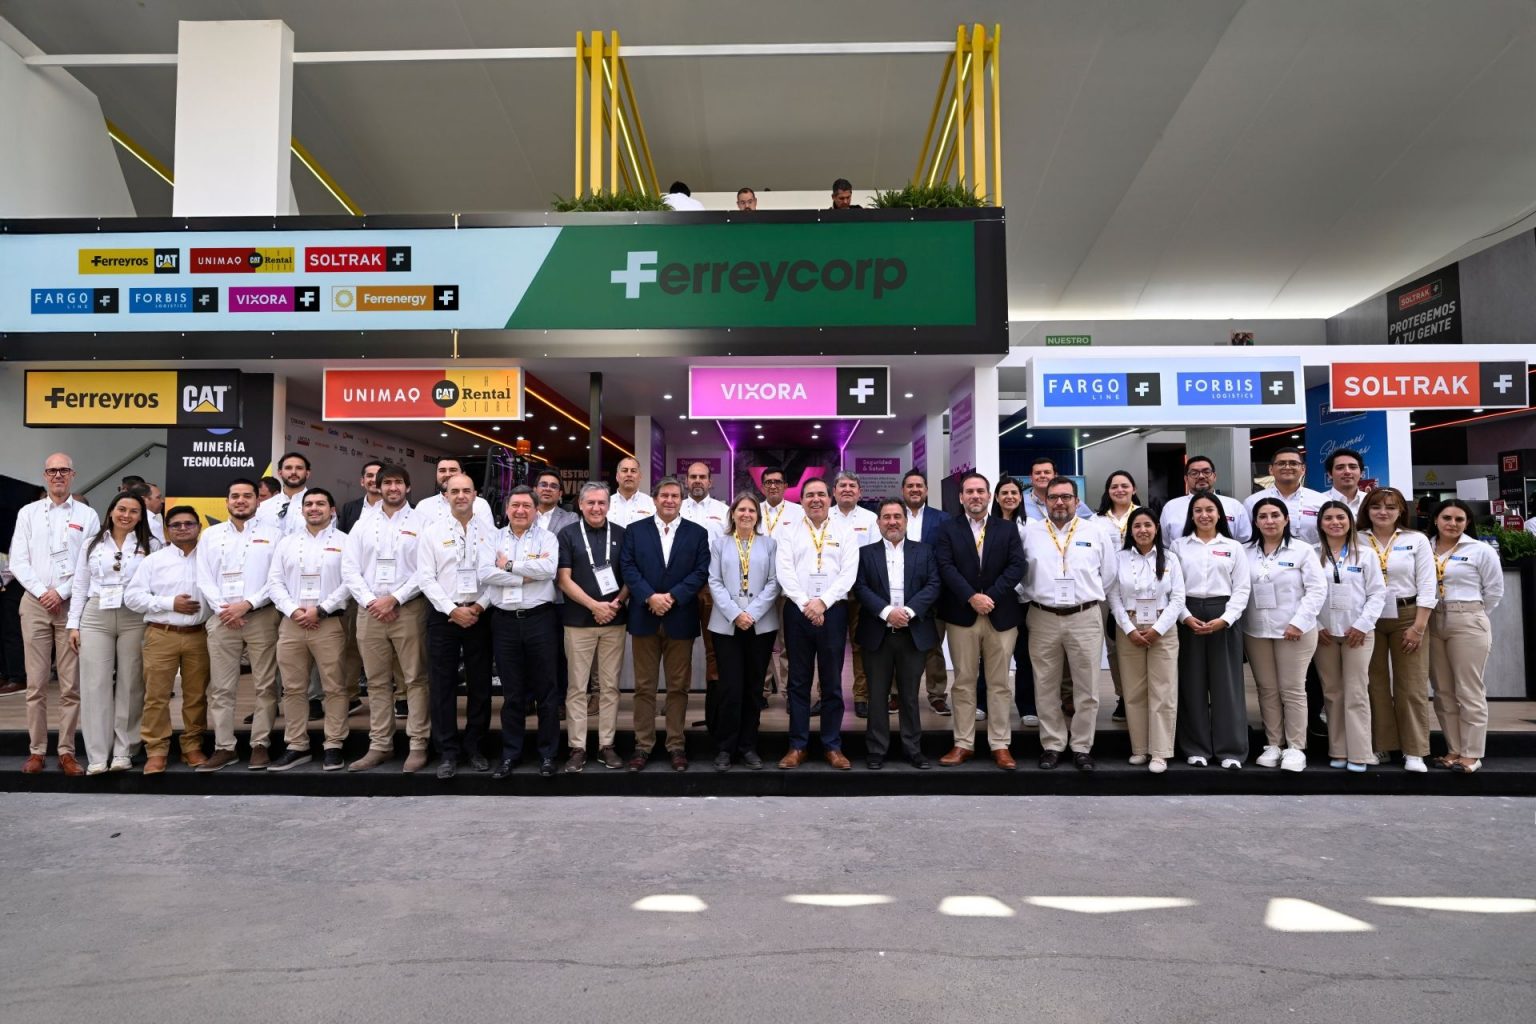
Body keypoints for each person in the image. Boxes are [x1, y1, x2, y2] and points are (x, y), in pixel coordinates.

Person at [10, 453, 99, 774]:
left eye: (63, 470)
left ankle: (66, 751)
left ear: (73, 474)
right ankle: (37, 751)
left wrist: (60, 592)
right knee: (35, 684)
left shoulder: (88, 515)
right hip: (35, 603)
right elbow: (17, 560)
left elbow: (89, 562)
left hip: (71, 605)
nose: (58, 475)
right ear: (45, 475)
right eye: (52, 471)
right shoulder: (28, 513)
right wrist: (42, 592)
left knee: (70, 685)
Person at [341, 463, 430, 774]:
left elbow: (427, 569)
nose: (393, 488)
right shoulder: (362, 524)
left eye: (398, 483)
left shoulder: (423, 522)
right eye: (387, 483)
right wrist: (371, 601)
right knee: (377, 681)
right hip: (370, 612)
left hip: (409, 610)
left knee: (415, 679)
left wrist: (395, 598)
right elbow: (349, 568)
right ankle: (380, 744)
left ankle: (418, 743)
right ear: (378, 487)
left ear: (408, 487)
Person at [1020, 476, 1113, 771]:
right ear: (1044, 501)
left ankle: (1082, 746)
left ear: (1077, 501)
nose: (1059, 502)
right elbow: (1021, 575)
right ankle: (1052, 744)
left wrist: (1083, 597)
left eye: (1066, 497)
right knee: (1045, 685)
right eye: (1053, 497)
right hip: (1042, 616)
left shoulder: (1096, 532)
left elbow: (1109, 574)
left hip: (1084, 616)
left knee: (1088, 687)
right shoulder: (1030, 533)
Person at [936, 472, 1028, 770]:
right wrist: (971, 597)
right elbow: (945, 567)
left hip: (1001, 615)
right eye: (969, 491)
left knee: (999, 683)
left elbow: (1017, 566)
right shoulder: (947, 529)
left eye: (980, 491)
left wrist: (990, 596)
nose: (975, 496)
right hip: (962, 615)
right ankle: (963, 743)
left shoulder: (1007, 529)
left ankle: (1000, 744)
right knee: (963, 682)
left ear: (989, 496)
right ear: (961, 497)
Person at [619, 477, 711, 772]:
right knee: (644, 687)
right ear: (654, 499)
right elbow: (628, 568)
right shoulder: (635, 530)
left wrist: (672, 597)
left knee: (678, 687)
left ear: (682, 500)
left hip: (680, 617)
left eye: (675, 496)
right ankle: (643, 746)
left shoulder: (697, 533)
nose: (669, 500)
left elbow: (701, 572)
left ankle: (676, 745)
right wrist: (649, 596)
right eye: (664, 496)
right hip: (644, 616)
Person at [195, 478, 282, 772]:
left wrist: (247, 604)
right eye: (235, 496)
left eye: (247, 496)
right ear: (227, 501)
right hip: (222, 618)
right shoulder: (210, 535)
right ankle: (224, 747)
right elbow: (204, 577)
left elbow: (277, 578)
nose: (241, 501)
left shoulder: (275, 535)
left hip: (261, 616)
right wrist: (224, 608)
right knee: (221, 687)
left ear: (258, 500)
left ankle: (260, 744)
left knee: (265, 685)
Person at [68, 490, 157, 774]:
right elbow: (80, 585)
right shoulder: (92, 543)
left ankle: (124, 750)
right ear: (110, 511)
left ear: (141, 517)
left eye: (133, 511)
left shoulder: (151, 544)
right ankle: (97, 755)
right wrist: (73, 624)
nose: (126, 515)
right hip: (96, 614)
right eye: (121, 509)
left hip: (135, 615)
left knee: (131, 683)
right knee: (95, 684)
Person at [417, 473, 497, 779]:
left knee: (480, 684)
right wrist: (452, 609)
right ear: (446, 495)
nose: (461, 496)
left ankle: (475, 747)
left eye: (466, 490)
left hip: (480, 614)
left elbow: (496, 577)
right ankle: (447, 751)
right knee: (442, 686)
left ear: (476, 494)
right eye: (455, 491)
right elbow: (426, 578)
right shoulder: (432, 533)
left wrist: (478, 606)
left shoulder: (491, 533)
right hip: (444, 615)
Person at [774, 478, 858, 770]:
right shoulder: (788, 531)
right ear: (801, 500)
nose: (816, 499)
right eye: (809, 495)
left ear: (830, 498)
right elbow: (784, 571)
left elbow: (849, 573)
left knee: (832, 682)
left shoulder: (845, 531)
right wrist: (806, 604)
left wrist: (823, 602)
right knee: (798, 682)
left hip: (833, 611)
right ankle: (798, 746)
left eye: (821, 494)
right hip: (798, 611)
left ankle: (832, 745)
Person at [267, 488, 352, 772]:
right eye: (309, 504)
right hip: (291, 624)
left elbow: (350, 582)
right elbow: (274, 582)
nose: (314, 508)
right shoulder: (286, 543)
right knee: (292, 688)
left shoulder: (345, 542)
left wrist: (322, 609)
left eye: (320, 504)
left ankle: (334, 744)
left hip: (328, 623)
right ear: (302, 510)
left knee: (334, 687)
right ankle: (296, 745)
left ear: (332, 510)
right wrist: (293, 610)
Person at [479, 486, 561, 778]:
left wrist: (510, 566)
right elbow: (485, 573)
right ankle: (510, 754)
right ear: (506, 509)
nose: (521, 510)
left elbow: (549, 569)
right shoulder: (492, 538)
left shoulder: (548, 538)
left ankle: (548, 755)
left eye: (527, 505)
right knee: (512, 692)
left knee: (547, 691)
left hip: (541, 620)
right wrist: (524, 576)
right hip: (504, 622)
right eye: (515, 505)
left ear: (536, 510)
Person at [853, 498, 940, 770]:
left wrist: (909, 612)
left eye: (897, 517)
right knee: (877, 695)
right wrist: (888, 612)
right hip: (877, 632)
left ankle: (913, 749)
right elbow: (860, 587)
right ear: (878, 522)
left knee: (910, 696)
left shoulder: (924, 551)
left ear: (905, 520)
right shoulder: (865, 554)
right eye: (887, 517)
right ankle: (876, 749)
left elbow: (933, 584)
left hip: (912, 633)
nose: (892, 522)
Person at [1243, 497, 1326, 772]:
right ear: (1255, 522)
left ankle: (1296, 747)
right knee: (1266, 689)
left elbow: (1317, 589)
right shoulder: (1245, 552)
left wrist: (1299, 622)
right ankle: (1273, 744)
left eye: (1275, 515)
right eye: (1263, 516)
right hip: (1256, 630)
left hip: (1294, 630)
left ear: (1286, 519)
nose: (1269, 521)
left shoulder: (1302, 550)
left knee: (1292, 689)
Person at [126, 505, 210, 773]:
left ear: (199, 527)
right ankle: (156, 749)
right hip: (161, 634)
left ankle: (192, 746)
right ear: (167, 530)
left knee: (196, 695)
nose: (183, 528)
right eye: (176, 525)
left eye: (189, 523)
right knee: (156, 696)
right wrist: (169, 603)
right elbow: (132, 597)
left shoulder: (210, 559)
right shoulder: (153, 561)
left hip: (199, 635)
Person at [1357, 486, 1436, 771]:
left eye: (1390, 507)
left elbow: (1428, 583)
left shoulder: (1416, 540)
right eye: (1376, 506)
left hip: (1408, 614)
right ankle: (1383, 745)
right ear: (1367, 510)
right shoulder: (1356, 539)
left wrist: (1419, 626)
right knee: (1373, 684)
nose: (1383, 512)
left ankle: (1414, 750)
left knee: (1411, 684)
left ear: (1401, 510)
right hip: (1368, 616)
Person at [1172, 491, 1251, 769]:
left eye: (1209, 510)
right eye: (1198, 510)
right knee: (1190, 683)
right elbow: (1173, 586)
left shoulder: (1233, 547)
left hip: (1224, 615)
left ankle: (1231, 750)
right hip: (1188, 614)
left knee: (1227, 685)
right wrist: (1184, 616)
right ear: (1191, 515)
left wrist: (1226, 619)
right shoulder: (1178, 546)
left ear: (1219, 514)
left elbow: (1242, 588)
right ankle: (1196, 748)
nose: (1204, 515)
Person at [1426, 498, 1503, 773]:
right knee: (1442, 691)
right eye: (1447, 518)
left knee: (1469, 689)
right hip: (1431, 620)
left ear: (1467, 522)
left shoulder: (1480, 550)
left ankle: (1471, 754)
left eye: (1459, 519)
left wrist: (1472, 614)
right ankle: (1454, 749)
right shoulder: (1424, 547)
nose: (1453, 523)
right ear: (1436, 520)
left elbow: (1494, 591)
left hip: (1467, 619)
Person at [556, 482, 629, 772]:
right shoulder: (567, 534)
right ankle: (578, 747)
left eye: (601, 503)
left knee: (610, 687)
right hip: (578, 622)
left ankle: (606, 745)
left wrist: (615, 604)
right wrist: (594, 606)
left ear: (608, 505)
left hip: (614, 620)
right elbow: (563, 579)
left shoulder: (622, 534)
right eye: (591, 503)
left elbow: (630, 576)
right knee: (577, 687)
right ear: (581, 505)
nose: (596, 508)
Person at [706, 492, 781, 770]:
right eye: (741, 510)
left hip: (760, 625)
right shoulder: (720, 544)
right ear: (733, 514)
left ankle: (748, 747)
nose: (746, 514)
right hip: (727, 625)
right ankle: (725, 748)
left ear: (757, 516)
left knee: (753, 688)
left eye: (751, 510)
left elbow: (774, 582)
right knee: (730, 688)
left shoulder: (770, 544)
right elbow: (714, 581)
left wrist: (752, 613)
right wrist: (736, 614)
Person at [1106, 508, 1184, 773]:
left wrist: (1158, 629)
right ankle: (1139, 748)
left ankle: (1160, 752)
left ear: (1156, 528)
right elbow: (1114, 597)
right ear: (1130, 531)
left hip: (1163, 627)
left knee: (1163, 690)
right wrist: (1129, 629)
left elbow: (1178, 598)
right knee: (1134, 691)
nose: (1142, 530)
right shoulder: (1119, 558)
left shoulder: (1170, 558)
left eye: (1147, 525)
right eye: (1137, 526)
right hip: (1129, 627)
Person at [1314, 499, 1385, 772]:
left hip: (1358, 633)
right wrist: (1316, 625)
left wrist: (1363, 625)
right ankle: (1339, 750)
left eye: (1340, 517)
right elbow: (1302, 592)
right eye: (1329, 518)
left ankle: (1360, 753)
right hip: (1324, 634)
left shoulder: (1365, 554)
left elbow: (1377, 593)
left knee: (1356, 692)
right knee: (1332, 693)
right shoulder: (1312, 554)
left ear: (1350, 522)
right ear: (1321, 524)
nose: (1335, 522)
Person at [1092, 470, 1142, 723]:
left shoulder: (1143, 515)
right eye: (1114, 486)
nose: (1120, 490)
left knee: (1138, 642)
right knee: (1112, 647)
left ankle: (1140, 696)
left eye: (1125, 485)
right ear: (1108, 491)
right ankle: (1123, 696)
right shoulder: (1096, 520)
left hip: (1138, 590)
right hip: (1104, 590)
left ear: (1134, 489)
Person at [830, 472, 879, 718]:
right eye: (842, 485)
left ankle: (861, 696)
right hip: (832, 593)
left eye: (852, 486)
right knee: (831, 647)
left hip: (861, 591)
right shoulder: (824, 516)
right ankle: (827, 695)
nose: (847, 489)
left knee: (860, 645)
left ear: (860, 492)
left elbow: (874, 556)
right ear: (834, 491)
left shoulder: (871, 519)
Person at [903, 470, 951, 715]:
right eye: (910, 486)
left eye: (919, 486)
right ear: (903, 490)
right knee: (898, 646)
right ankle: (896, 694)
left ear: (926, 490)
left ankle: (937, 695)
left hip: (934, 594)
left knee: (933, 646)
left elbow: (947, 556)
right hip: (898, 593)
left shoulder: (942, 519)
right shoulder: (893, 515)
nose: (915, 489)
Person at [992, 476, 1039, 729]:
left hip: (1023, 598)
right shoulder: (987, 524)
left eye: (1014, 493)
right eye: (1004, 493)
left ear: (1021, 498)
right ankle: (983, 703)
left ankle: (1027, 707)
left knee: (1024, 655)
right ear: (996, 497)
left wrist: (1017, 587)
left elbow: (1032, 563)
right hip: (994, 598)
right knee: (989, 655)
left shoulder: (1032, 526)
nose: (1009, 497)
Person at [680, 461, 729, 706]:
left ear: (710, 481)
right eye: (693, 477)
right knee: (680, 648)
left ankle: (715, 706)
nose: (697, 481)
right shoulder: (675, 508)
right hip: (682, 587)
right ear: (686, 481)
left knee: (714, 648)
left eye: (702, 477)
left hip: (712, 588)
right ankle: (678, 701)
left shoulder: (724, 511)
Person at [755, 465, 802, 707]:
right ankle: (762, 690)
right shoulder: (753, 510)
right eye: (768, 482)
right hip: (760, 587)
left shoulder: (798, 512)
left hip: (788, 588)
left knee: (788, 642)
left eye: (777, 482)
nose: (773, 486)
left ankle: (789, 692)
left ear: (785, 486)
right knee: (762, 640)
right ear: (762, 486)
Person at [1159, 456, 1253, 543]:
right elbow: (1165, 544)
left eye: (1206, 472)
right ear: (1186, 479)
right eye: (1194, 473)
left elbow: (1245, 542)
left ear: (1214, 476)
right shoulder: (1171, 507)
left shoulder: (1234, 506)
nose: (1201, 476)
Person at [1245, 446, 1326, 545]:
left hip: (1312, 554)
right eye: (1281, 463)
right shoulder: (1253, 501)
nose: (1287, 467)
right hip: (1266, 554)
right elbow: (1247, 537)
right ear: (1271, 469)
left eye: (1293, 463)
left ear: (1303, 469)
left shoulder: (1321, 501)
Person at [416, 456, 495, 530]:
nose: (447, 474)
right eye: (442, 471)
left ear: (463, 474)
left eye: (453, 470)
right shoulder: (423, 506)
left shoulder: (480, 505)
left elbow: (488, 537)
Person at [255, 451, 315, 536]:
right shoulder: (263, 507)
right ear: (280, 473)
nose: (293, 472)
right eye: (288, 468)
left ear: (307, 473)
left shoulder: (319, 507)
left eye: (299, 468)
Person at [1021, 458, 1092, 521]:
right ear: (1031, 477)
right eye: (1038, 473)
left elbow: (1091, 523)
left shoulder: (1073, 502)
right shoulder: (1020, 502)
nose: (1042, 476)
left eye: (1047, 472)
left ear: (1055, 476)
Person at [609, 456, 656, 528]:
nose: (629, 474)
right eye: (624, 471)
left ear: (640, 476)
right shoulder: (606, 504)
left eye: (633, 471)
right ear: (617, 476)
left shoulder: (651, 504)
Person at [339, 459, 385, 533]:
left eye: (379, 476)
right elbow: (341, 537)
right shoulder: (349, 508)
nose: (374, 480)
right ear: (362, 481)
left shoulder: (396, 508)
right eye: (370, 476)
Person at [1321, 449, 1367, 519]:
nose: (1347, 472)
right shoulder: (1319, 501)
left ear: (1361, 473)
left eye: (1353, 467)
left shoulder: (1369, 501)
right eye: (1340, 468)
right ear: (1330, 474)